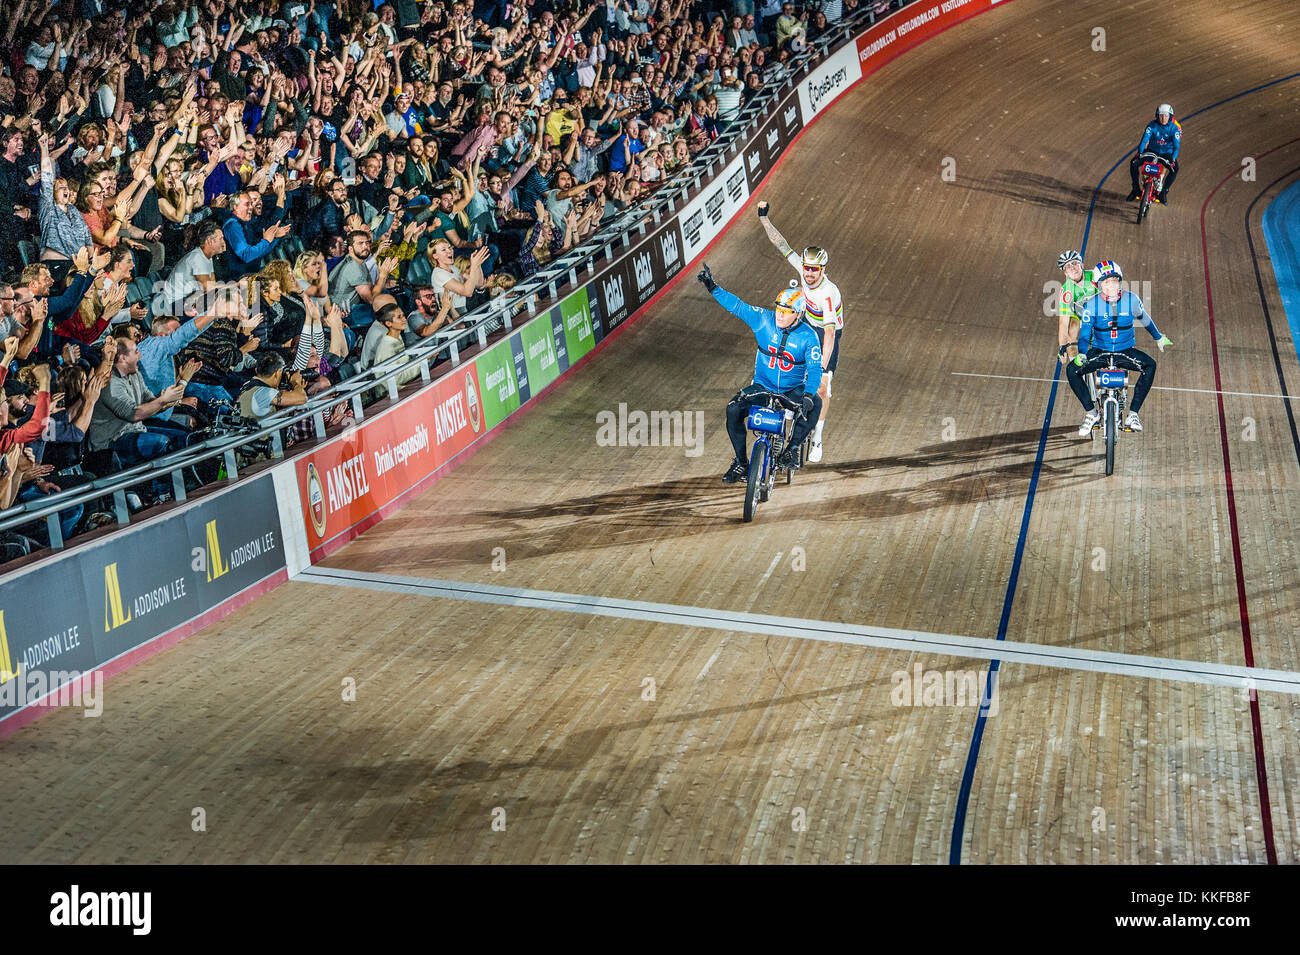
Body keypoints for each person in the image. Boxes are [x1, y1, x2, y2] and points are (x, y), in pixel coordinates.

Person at [697, 263, 822, 482]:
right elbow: (737, 306)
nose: (780, 315)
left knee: (817, 404)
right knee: (733, 410)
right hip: (762, 386)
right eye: (779, 309)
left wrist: (809, 394)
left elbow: (813, 369)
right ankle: (741, 463)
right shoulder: (763, 319)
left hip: (792, 390)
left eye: (787, 312)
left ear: (798, 313)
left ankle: (792, 449)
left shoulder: (809, 336)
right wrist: (712, 287)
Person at [756, 200, 842, 463]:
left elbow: (828, 334)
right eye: (806, 268)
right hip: (805, 325)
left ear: (823, 270)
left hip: (826, 333)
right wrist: (764, 219)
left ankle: (817, 437)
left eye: (814, 270)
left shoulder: (829, 292)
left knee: (821, 388)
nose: (809, 274)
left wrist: (821, 370)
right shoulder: (803, 271)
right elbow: (781, 244)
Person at [1068, 261, 1172, 436]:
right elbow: (1085, 334)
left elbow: (1145, 319)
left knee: (1150, 365)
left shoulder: (1132, 299)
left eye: (1115, 281)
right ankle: (1091, 413)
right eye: (1106, 282)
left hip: (1125, 352)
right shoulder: (1091, 305)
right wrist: (1082, 354)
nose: (1111, 286)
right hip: (1100, 352)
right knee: (1072, 370)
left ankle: (1133, 414)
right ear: (1099, 285)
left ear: (1120, 282)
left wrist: (1158, 337)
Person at [1127, 104, 1181, 204]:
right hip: (1152, 151)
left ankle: (1164, 193)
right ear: (1157, 116)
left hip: (1166, 154)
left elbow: (1176, 147)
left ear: (1170, 117)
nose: (1163, 118)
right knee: (1133, 163)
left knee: (1175, 169)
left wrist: (1173, 159)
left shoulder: (1175, 129)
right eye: (1161, 115)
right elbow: (1144, 140)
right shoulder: (1152, 125)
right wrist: (1140, 152)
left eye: (1166, 116)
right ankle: (1135, 189)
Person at [1055, 249, 1096, 377]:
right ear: (1065, 273)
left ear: (1082, 265)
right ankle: (1079, 371)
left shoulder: (1095, 276)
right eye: (1068, 266)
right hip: (1079, 315)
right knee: (1070, 331)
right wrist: (1062, 346)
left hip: (1098, 314)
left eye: (1074, 263)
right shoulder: (1066, 291)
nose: (1072, 268)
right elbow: (1063, 323)